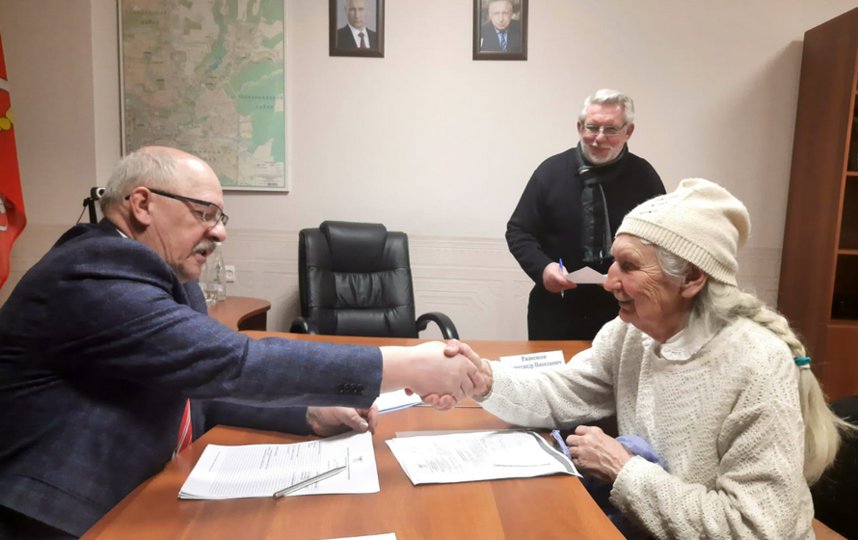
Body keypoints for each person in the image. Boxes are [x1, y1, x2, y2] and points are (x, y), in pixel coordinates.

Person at [0, 146, 486, 538]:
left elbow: (197, 387)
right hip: (63, 515)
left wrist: (308, 414)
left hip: (147, 493)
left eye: (221, 216)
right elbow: (232, 362)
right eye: (204, 213)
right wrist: (406, 366)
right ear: (143, 204)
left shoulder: (166, 271)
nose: (220, 232)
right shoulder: (93, 270)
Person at [478, 178, 853, 538]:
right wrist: (481, 378)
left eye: (628, 266)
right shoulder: (631, 332)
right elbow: (563, 392)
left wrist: (622, 469)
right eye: (613, 262)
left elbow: (753, 528)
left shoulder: (757, 364)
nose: (608, 282)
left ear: (690, 278)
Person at [506, 89, 665, 340]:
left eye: (610, 129)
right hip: (556, 309)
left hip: (625, 309)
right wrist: (543, 268)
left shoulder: (644, 177)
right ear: (580, 127)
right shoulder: (550, 172)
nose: (599, 138)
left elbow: (662, 240)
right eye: (592, 127)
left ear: (628, 131)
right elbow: (519, 231)